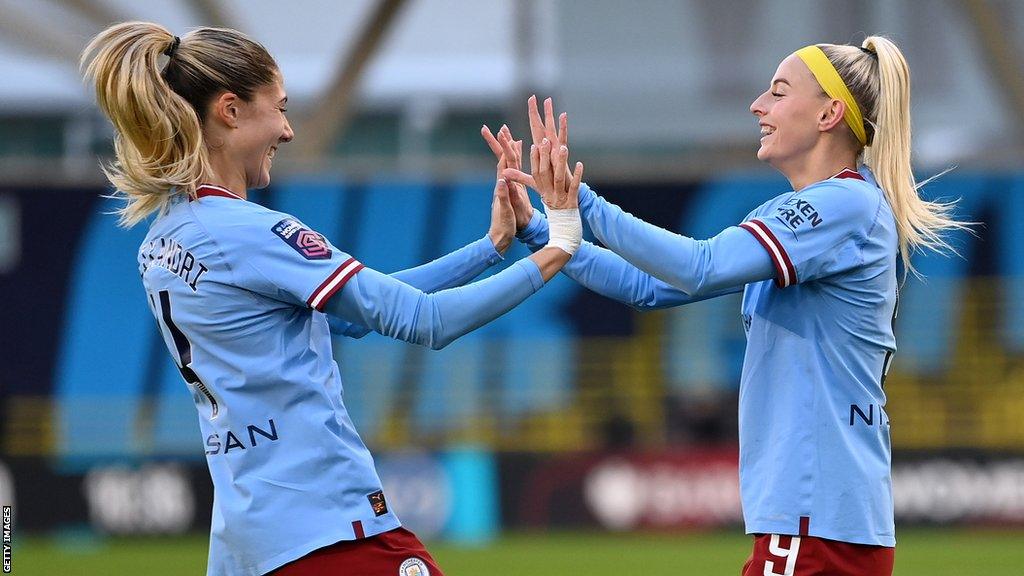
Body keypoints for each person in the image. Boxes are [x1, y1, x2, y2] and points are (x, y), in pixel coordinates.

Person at [81, 21, 583, 576]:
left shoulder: (162, 241)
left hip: (246, 544)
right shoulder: (249, 232)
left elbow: (351, 318)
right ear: (231, 110)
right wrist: (560, 244)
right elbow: (426, 320)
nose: (288, 130)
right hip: (326, 531)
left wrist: (491, 248)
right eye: (280, 107)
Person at [496, 37, 967, 576]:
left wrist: (582, 200)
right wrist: (542, 229)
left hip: (814, 518)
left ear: (829, 113)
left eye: (778, 91)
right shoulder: (806, 210)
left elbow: (700, 265)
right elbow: (649, 287)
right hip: (824, 518)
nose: (757, 105)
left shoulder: (844, 205)